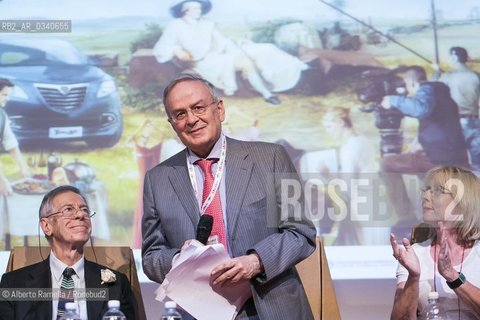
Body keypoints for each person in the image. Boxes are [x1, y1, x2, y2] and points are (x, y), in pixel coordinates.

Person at [142, 74, 316, 319]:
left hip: (269, 307)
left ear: (219, 109)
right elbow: (151, 256)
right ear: (172, 124)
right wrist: (180, 260)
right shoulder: (157, 179)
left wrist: (255, 262)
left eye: (199, 108)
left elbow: (300, 232)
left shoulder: (272, 157)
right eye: (180, 114)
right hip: (200, 310)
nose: (192, 119)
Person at [0, 185, 136, 320]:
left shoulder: (116, 284)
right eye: (68, 209)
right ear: (47, 226)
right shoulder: (14, 284)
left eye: (85, 210)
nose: (80, 215)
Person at [153, 0, 308, 105]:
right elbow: (161, 48)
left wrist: (237, 52)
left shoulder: (207, 24)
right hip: (205, 62)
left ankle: (293, 70)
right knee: (247, 62)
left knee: (265, 49)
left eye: (199, 7)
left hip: (220, 54)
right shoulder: (175, 26)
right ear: (184, 11)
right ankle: (267, 95)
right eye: (194, 8)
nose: (198, 10)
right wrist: (176, 49)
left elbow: (223, 41)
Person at [380, 66, 469, 235]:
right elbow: (439, 126)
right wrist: (420, 141)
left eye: (406, 85)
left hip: (438, 158)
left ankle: (406, 217)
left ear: (411, 82)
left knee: (386, 164)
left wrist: (393, 100)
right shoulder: (443, 95)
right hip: (451, 155)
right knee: (420, 168)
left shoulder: (427, 90)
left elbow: (420, 108)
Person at [390, 166, 480, 319]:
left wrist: (452, 276)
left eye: (437, 191)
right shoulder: (414, 253)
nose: (425, 196)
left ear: (463, 202)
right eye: (425, 190)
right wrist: (413, 277)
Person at [321, 107, 387, 245]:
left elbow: (348, 187)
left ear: (340, 122)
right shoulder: (363, 140)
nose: (327, 131)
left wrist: (328, 175)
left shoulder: (348, 149)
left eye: (329, 126)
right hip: (376, 199)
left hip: (362, 203)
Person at [437, 47, 480, 172]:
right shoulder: (476, 75)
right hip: (475, 121)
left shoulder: (447, 76)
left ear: (455, 57)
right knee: (478, 160)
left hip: (456, 121)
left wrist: (437, 75)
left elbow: (437, 91)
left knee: (457, 161)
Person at [0, 79, 30, 196]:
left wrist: (23, 167)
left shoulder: (2, 115)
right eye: (4, 95)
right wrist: (2, 181)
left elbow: (10, 142)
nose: (7, 98)